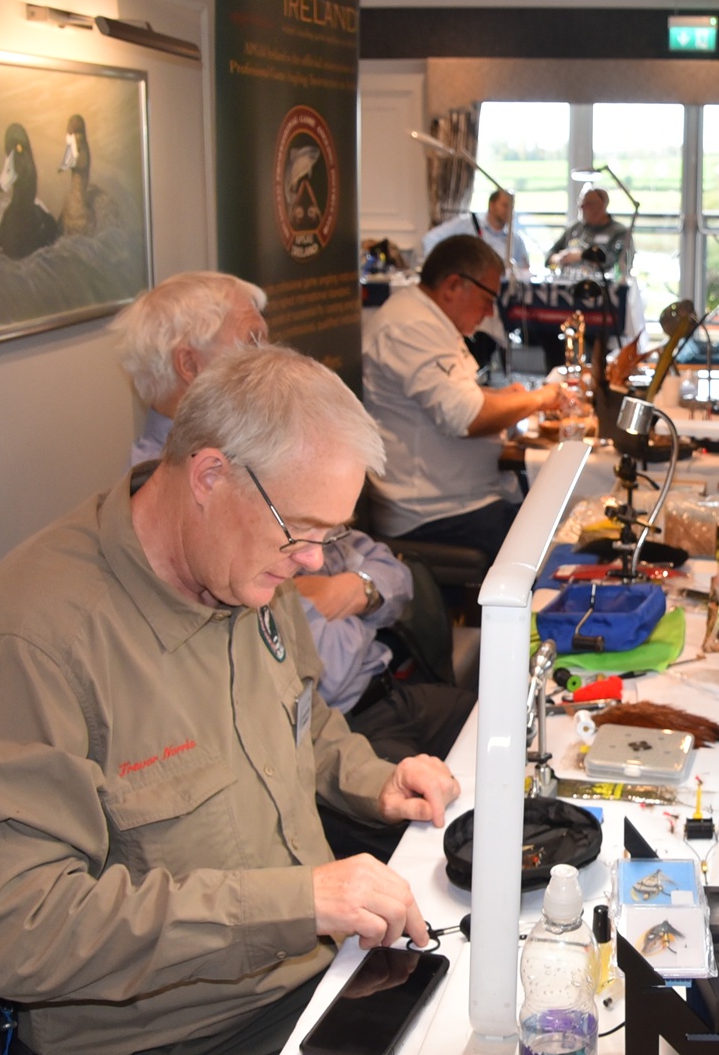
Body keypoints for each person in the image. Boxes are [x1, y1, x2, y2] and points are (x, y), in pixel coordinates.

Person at [0, 345, 463, 1055]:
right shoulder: (37, 637)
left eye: (329, 535)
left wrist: (374, 781)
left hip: (316, 980)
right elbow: (9, 927)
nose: (313, 560)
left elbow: (303, 722)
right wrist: (295, 904)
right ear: (211, 475)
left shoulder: (245, 564)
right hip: (178, 1032)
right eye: (301, 529)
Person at [110, 273, 474, 782]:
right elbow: (322, 670)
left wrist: (353, 590)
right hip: (335, 731)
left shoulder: (275, 454)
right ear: (189, 366)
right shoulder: (185, 496)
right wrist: (357, 599)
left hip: (370, 706)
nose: (270, 355)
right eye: (252, 340)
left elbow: (389, 572)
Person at [362, 234, 563, 556]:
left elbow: (457, 395)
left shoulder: (429, 320)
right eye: (487, 299)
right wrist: (540, 398)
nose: (489, 312)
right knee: (558, 545)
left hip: (461, 499)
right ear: (453, 285)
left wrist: (503, 397)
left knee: (557, 516)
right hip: (434, 513)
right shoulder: (410, 326)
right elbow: (466, 417)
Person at [420, 188, 530, 276]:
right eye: (505, 205)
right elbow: (430, 239)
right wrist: (441, 269)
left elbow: (524, 270)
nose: (509, 211)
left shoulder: (515, 240)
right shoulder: (467, 224)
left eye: (512, 207)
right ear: (492, 205)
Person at [547, 185, 634, 282]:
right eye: (580, 202)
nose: (581, 207)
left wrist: (582, 256)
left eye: (587, 203)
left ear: (601, 206)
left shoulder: (619, 232)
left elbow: (620, 262)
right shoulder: (574, 228)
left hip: (601, 285)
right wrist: (561, 258)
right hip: (567, 282)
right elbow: (550, 255)